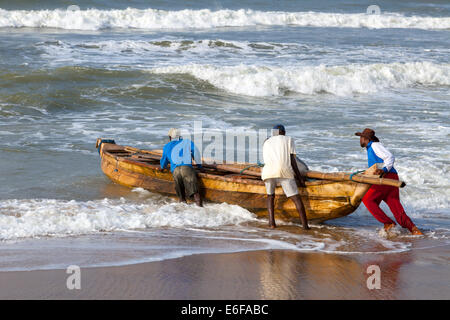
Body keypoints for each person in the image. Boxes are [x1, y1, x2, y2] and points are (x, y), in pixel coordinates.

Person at [355, 128, 422, 235]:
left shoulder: (374, 145)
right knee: (395, 206)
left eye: (361, 138)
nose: (360, 140)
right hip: (392, 177)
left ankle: (388, 223)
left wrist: (384, 170)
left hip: (385, 178)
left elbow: (390, 157)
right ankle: (414, 229)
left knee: (367, 199)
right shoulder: (370, 148)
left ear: (365, 139)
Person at [262, 124, 310, 230]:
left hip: (267, 171)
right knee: (296, 198)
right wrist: (300, 178)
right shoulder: (289, 139)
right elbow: (293, 161)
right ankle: (305, 226)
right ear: (283, 132)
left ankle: (271, 223)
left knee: (270, 196)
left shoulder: (266, 141)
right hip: (284, 171)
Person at [160, 128, 203, 207]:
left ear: (170, 137)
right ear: (180, 136)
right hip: (187, 169)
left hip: (175, 171)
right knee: (195, 193)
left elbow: (163, 162)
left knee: (181, 197)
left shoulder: (166, 146)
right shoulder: (187, 142)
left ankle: (182, 213)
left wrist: (162, 167)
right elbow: (196, 153)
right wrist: (199, 166)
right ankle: (200, 210)